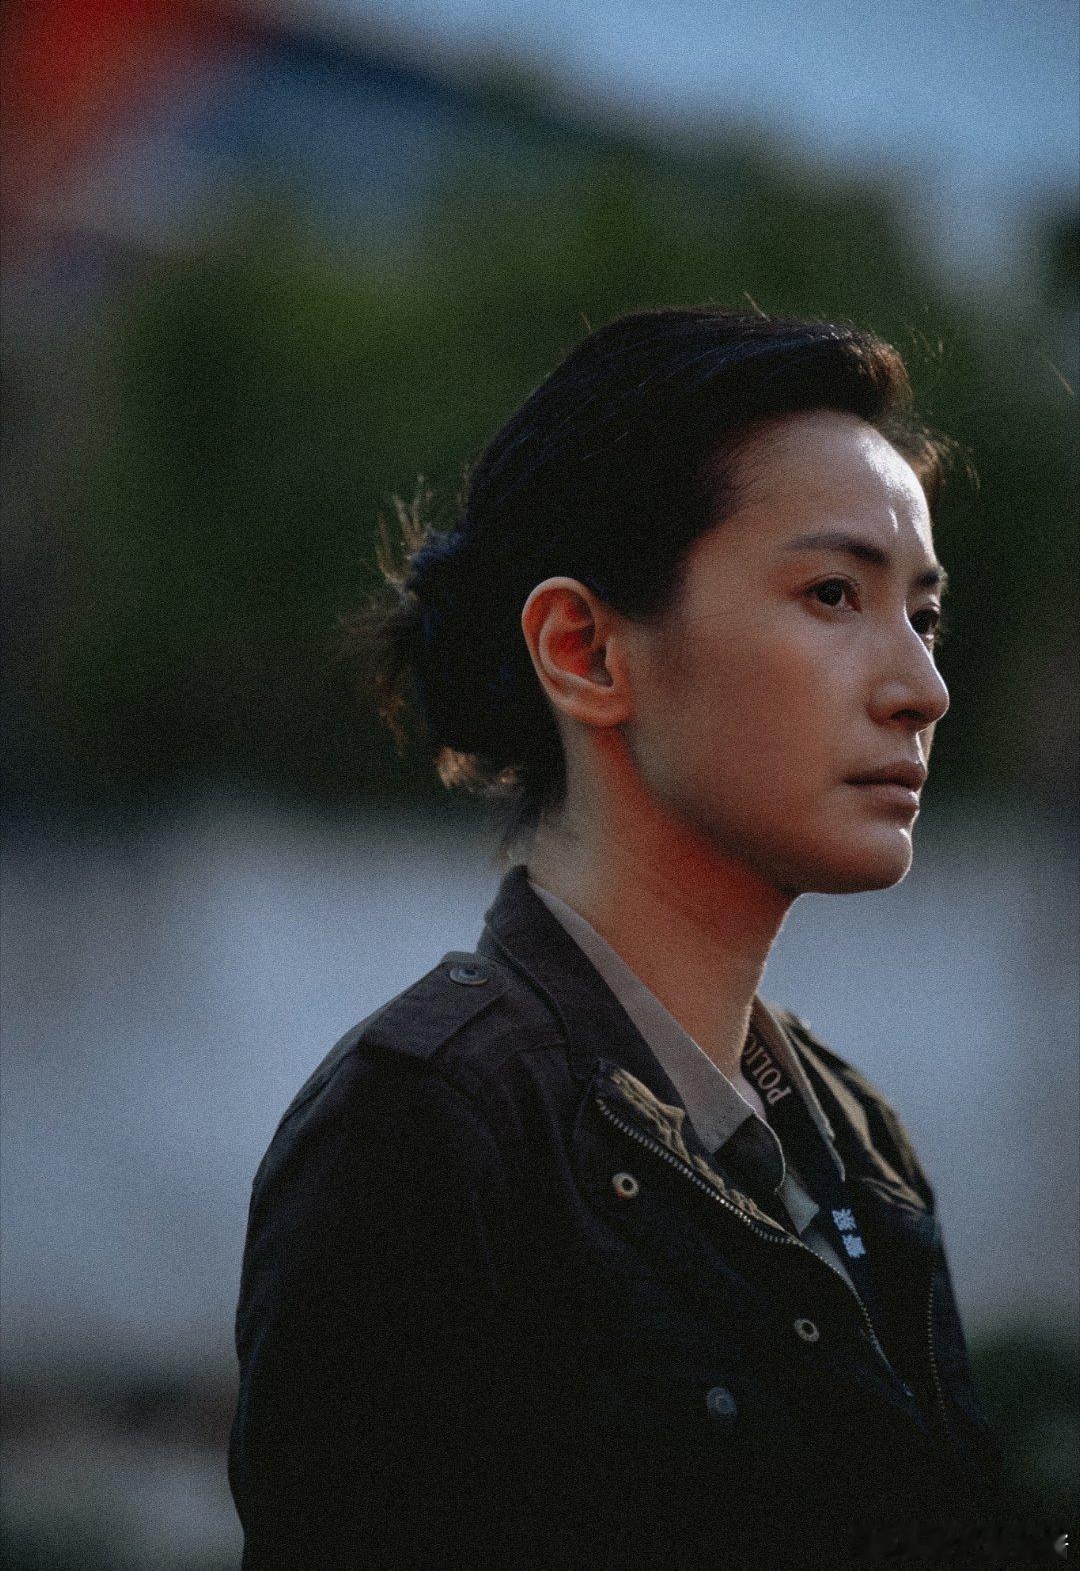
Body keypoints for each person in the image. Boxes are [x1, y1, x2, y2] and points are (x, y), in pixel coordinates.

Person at [229, 307, 1017, 1568]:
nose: (921, 687)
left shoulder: (855, 1140)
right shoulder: (425, 1131)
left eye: (922, 615)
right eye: (832, 594)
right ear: (585, 650)